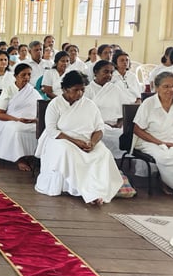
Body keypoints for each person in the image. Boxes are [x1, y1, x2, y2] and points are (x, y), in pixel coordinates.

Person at [35, 71, 123, 204]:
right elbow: (51, 130)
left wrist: (92, 143)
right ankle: (85, 192)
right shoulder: (55, 104)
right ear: (65, 89)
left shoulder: (89, 104)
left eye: (82, 90)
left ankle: (96, 190)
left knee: (104, 153)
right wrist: (75, 142)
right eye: (76, 90)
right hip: (61, 139)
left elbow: (99, 128)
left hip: (86, 141)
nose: (80, 93)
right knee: (67, 151)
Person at [0, 63, 41, 171]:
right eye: (23, 75)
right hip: (9, 119)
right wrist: (17, 119)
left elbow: (40, 110)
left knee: (40, 129)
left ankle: (33, 155)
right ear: (15, 76)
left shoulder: (32, 91)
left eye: (29, 75)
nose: (27, 78)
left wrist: (35, 120)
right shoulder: (8, 90)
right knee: (17, 129)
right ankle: (19, 158)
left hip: (30, 121)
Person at [132, 71, 173, 193]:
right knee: (165, 157)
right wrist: (160, 142)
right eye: (166, 86)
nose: (171, 90)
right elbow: (137, 130)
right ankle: (168, 183)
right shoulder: (148, 103)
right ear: (156, 88)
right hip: (149, 141)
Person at [84, 60, 136, 159]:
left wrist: (120, 124)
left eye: (111, 72)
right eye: (106, 71)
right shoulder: (87, 90)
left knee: (129, 135)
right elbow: (86, 114)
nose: (109, 75)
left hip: (116, 126)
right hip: (96, 127)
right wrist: (102, 124)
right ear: (96, 72)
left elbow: (125, 110)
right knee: (105, 134)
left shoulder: (115, 88)